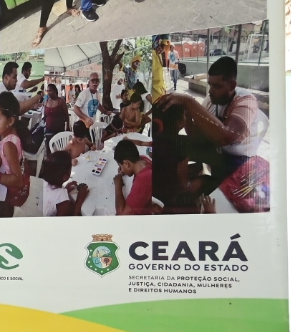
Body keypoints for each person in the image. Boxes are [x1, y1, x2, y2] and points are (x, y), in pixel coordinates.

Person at [153, 56, 264, 192]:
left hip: (239, 158)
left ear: (232, 85)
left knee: (215, 189)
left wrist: (189, 102)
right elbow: (196, 135)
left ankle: (202, 185)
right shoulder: (212, 99)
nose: (211, 90)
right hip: (217, 151)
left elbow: (226, 137)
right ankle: (183, 179)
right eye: (210, 84)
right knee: (179, 144)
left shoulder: (246, 101)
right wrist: (189, 116)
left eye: (217, 86)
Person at [0, 90, 30, 218]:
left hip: (17, 192)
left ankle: (8, 214)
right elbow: (1, 152)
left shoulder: (9, 145)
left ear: (10, 121)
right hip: (21, 177)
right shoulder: (7, 134)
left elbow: (18, 181)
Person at [113, 139, 158, 215]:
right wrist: (124, 169)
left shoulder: (143, 180)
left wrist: (118, 185)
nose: (120, 170)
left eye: (120, 166)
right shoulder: (144, 159)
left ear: (126, 163)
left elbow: (122, 214)